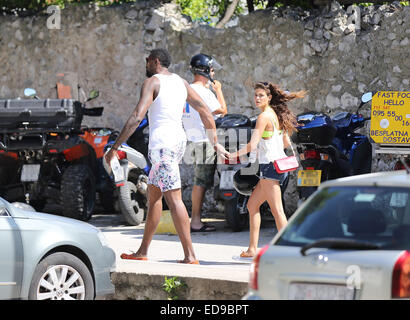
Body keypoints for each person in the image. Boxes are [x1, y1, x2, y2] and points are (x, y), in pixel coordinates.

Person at [104, 48, 228, 264]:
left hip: (163, 146)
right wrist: (214, 141)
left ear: (156, 61)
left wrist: (115, 147)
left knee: (174, 198)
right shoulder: (181, 82)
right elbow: (205, 111)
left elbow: (136, 116)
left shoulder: (152, 82)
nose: (146, 64)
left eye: (147, 61)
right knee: (154, 199)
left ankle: (190, 255)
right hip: (176, 143)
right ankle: (142, 251)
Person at [228, 82, 306, 258]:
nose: (257, 98)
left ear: (269, 97)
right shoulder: (275, 115)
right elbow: (286, 143)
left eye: (261, 95)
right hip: (276, 166)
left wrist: (234, 155)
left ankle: (290, 251)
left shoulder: (263, 117)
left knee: (277, 210)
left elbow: (252, 144)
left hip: (271, 167)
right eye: (255, 95)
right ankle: (252, 249)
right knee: (252, 205)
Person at [182, 53, 227, 232]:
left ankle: (195, 219)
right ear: (205, 70)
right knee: (200, 182)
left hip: (191, 140)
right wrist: (219, 90)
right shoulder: (204, 92)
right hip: (204, 140)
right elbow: (222, 111)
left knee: (199, 181)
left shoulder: (186, 90)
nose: (213, 73)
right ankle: (195, 221)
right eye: (212, 69)